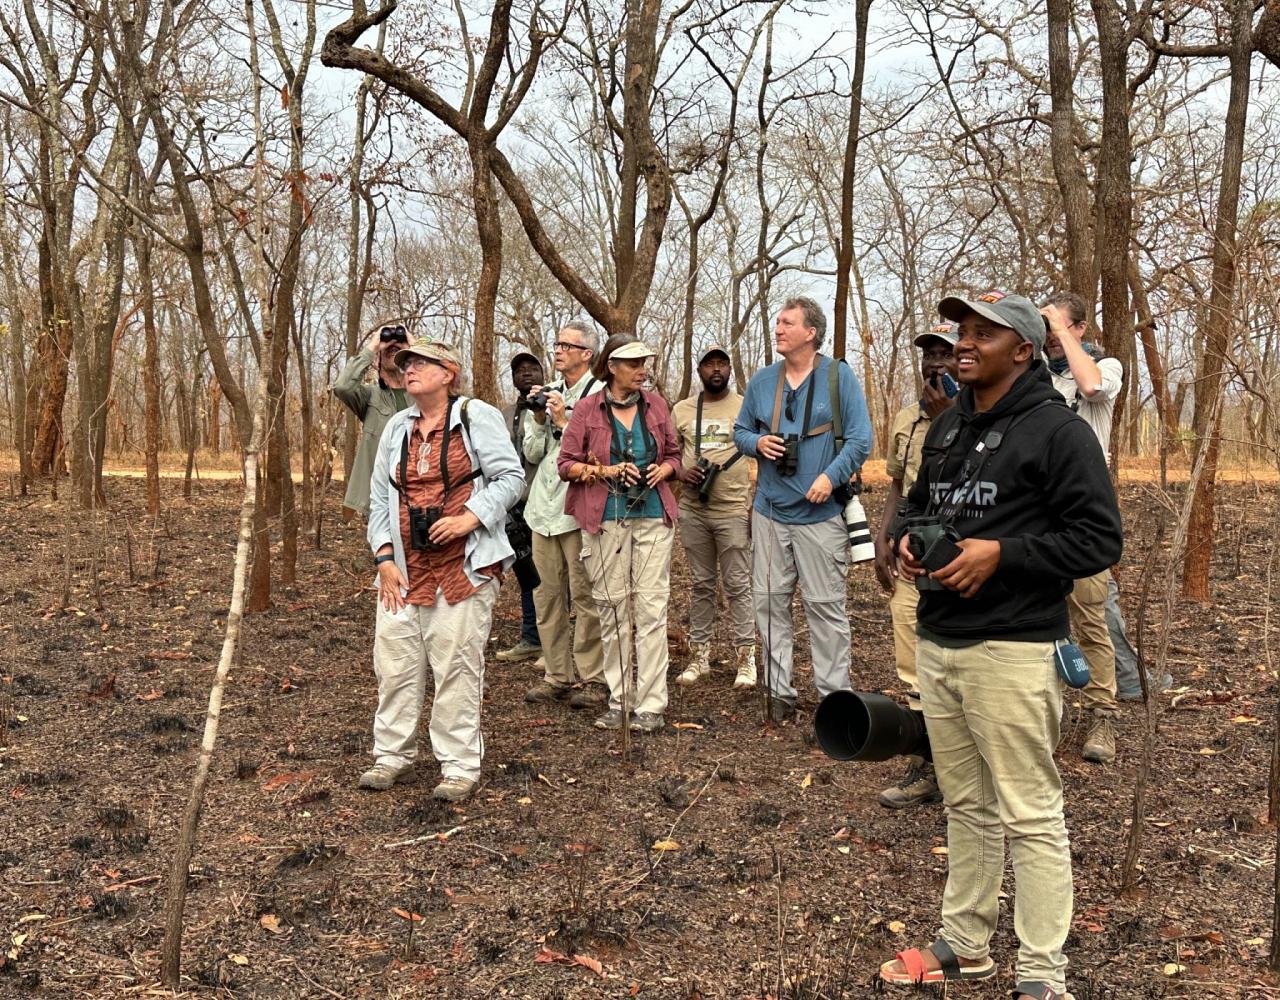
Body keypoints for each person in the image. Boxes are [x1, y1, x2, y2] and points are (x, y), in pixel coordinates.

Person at [880, 291, 1122, 1000]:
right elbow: (924, 503)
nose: (964, 342)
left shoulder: (1058, 431)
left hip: (1013, 648)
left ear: (1023, 350)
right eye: (961, 330)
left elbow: (1100, 539)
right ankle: (964, 944)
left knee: (1031, 813)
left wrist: (1002, 553)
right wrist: (910, 542)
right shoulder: (950, 424)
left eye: (984, 333)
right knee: (965, 805)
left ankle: (1044, 975)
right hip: (940, 640)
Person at [361, 340, 524, 802]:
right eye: (405, 364)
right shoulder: (396, 427)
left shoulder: (476, 416)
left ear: (448, 371)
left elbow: (511, 478)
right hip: (404, 570)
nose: (409, 370)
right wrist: (384, 557)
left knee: (456, 667)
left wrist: (470, 516)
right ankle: (391, 754)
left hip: (462, 566)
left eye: (420, 363)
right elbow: (379, 499)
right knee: (394, 666)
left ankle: (458, 765)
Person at [732, 296, 873, 721]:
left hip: (821, 515)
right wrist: (756, 442)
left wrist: (831, 476)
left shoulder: (838, 377)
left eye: (787, 323)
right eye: (777, 322)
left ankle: (835, 700)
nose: (777, 328)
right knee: (769, 603)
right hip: (770, 512)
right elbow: (739, 432)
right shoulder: (761, 381)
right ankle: (779, 694)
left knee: (825, 606)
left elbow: (861, 439)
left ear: (810, 333)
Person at [1042, 292, 1165, 760]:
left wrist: (1058, 332)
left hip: (1081, 512)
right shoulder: (1034, 376)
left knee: (1091, 616)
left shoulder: (1105, 365)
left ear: (1079, 329)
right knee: (1039, 619)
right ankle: (1047, 717)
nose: (1049, 337)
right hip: (1036, 513)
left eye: (1058, 327)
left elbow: (1091, 389)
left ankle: (1102, 717)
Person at [558, 339, 682, 733]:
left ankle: (651, 704)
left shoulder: (657, 405)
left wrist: (665, 470)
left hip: (652, 515)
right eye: (633, 363)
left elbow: (675, 455)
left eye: (644, 362)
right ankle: (619, 699)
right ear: (612, 367)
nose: (642, 369)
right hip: (604, 517)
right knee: (613, 609)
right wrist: (607, 473)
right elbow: (566, 464)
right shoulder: (587, 410)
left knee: (651, 608)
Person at [871, 322, 959, 808]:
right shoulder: (907, 417)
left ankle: (967, 766)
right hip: (911, 551)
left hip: (962, 555)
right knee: (913, 660)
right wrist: (883, 537)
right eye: (928, 355)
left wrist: (951, 419)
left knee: (959, 664)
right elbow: (899, 485)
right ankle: (927, 764)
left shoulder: (978, 414)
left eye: (945, 353)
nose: (935, 364)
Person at [520, 321, 608, 709]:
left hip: (579, 509)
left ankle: (594, 677)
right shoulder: (547, 393)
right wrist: (540, 420)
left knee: (586, 594)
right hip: (543, 509)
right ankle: (556, 674)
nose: (557, 350)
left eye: (566, 345)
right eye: (556, 343)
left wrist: (562, 421)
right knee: (547, 595)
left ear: (587, 353)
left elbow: (600, 453)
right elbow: (533, 454)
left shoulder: (602, 395)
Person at [671, 345, 756, 690]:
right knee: (702, 584)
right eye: (710, 364)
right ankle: (699, 656)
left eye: (722, 363)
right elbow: (670, 454)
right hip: (693, 510)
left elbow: (764, 454)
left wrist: (757, 504)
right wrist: (682, 473)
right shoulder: (683, 410)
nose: (716, 369)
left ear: (730, 369)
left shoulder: (747, 407)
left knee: (738, 585)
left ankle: (746, 659)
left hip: (734, 509)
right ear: (699, 370)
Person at [332, 320, 414, 518]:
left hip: (421, 492)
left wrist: (415, 348)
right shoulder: (370, 397)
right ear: (377, 364)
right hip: (382, 498)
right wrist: (374, 346)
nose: (392, 350)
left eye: (399, 350)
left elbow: (448, 387)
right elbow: (342, 387)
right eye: (387, 351)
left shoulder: (424, 395)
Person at [495, 351, 546, 664]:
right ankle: (531, 637)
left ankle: (557, 639)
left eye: (532, 367)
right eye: (520, 370)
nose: (526, 373)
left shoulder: (554, 406)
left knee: (555, 576)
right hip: (514, 507)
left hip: (548, 505)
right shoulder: (503, 413)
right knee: (527, 573)